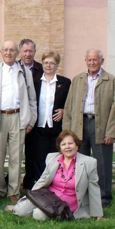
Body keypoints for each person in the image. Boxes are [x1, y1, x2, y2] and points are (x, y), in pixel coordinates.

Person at [0, 40, 37, 203]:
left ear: (17, 53)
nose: (9, 53)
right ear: (1, 52)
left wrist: (31, 121)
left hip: (18, 118)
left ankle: (13, 191)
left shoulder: (24, 72)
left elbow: (32, 99)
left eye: (12, 50)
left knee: (16, 157)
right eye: (6, 50)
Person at [63, 49, 115, 208]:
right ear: (86, 61)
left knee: (103, 163)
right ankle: (81, 196)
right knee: (80, 163)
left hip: (100, 126)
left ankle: (104, 198)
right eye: (89, 60)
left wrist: (111, 132)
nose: (92, 63)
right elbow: (69, 106)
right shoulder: (78, 79)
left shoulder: (111, 80)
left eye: (95, 60)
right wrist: (67, 132)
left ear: (101, 61)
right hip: (79, 125)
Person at [6, 130, 104, 221]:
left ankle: (36, 210)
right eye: (64, 144)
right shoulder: (52, 158)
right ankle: (24, 207)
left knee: (39, 215)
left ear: (77, 146)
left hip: (67, 203)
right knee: (20, 211)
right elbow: (42, 180)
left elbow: (94, 188)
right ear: (60, 148)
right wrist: (27, 198)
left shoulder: (89, 162)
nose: (67, 147)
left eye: (71, 143)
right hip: (47, 197)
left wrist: (98, 213)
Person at [23, 49, 71, 190]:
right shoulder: (34, 81)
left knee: (55, 158)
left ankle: (55, 185)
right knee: (37, 158)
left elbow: (71, 103)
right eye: (45, 62)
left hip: (56, 128)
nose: (48, 65)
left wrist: (64, 110)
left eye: (52, 63)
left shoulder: (65, 83)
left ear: (57, 65)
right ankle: (37, 186)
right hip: (37, 127)